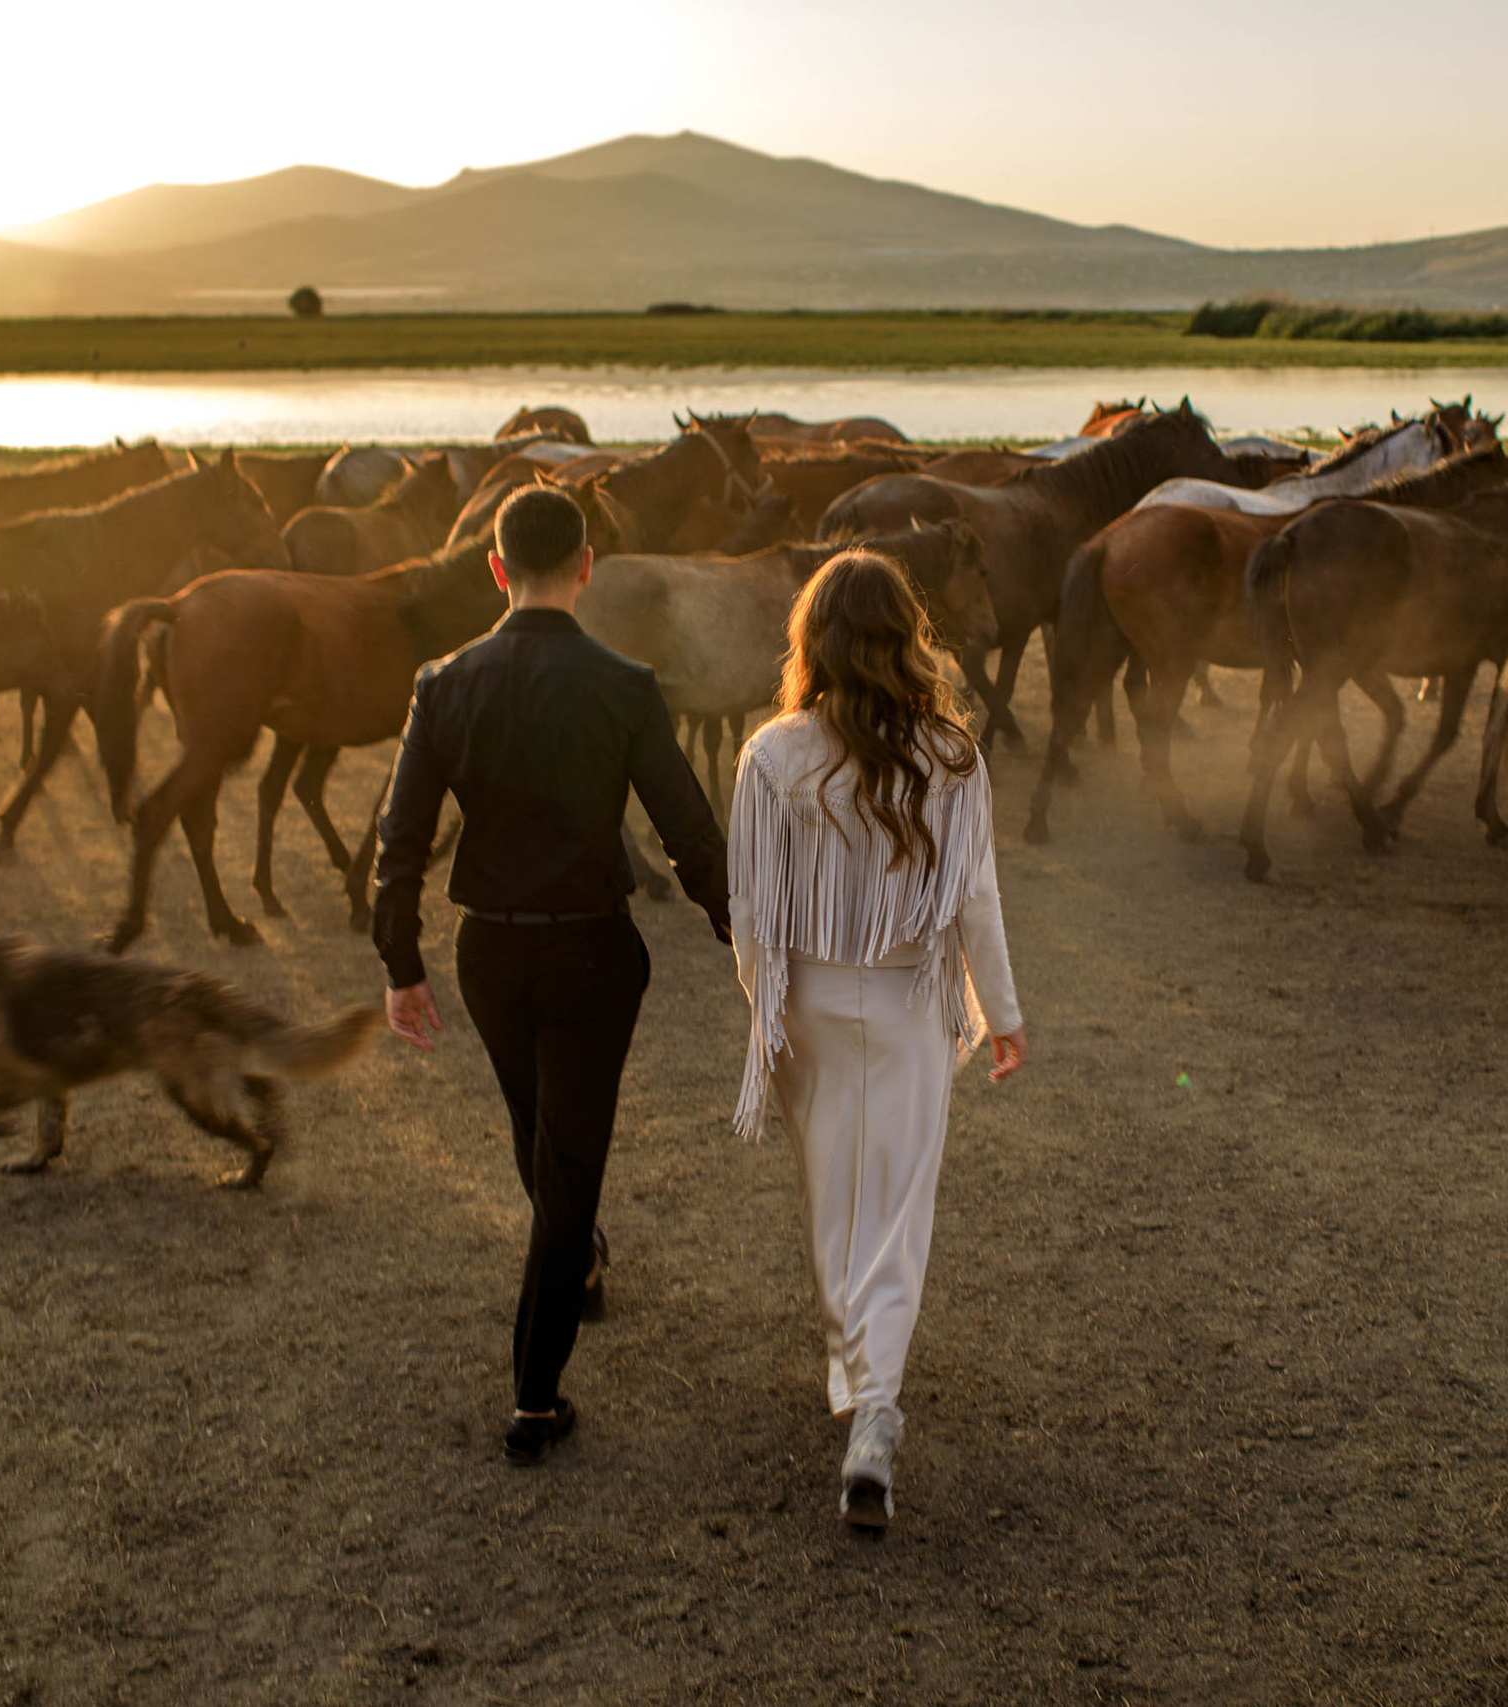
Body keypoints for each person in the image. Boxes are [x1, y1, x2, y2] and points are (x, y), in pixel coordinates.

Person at [373, 485, 729, 1467]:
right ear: (584, 568)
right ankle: (534, 1396)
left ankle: (576, 1267)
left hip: (486, 952)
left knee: (542, 1131)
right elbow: (689, 831)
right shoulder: (623, 685)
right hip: (589, 951)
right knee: (563, 1158)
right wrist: (742, 931)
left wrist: (400, 962)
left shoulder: (442, 684)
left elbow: (398, 843)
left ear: (496, 570)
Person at [727, 550, 1026, 1531]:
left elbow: (753, 914)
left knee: (835, 1204)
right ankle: (873, 1418)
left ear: (809, 640)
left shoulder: (772, 755)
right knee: (896, 1212)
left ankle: (858, 1386)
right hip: (906, 1003)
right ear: (908, 638)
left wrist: (767, 1015)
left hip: (809, 998)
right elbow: (974, 899)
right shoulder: (951, 755)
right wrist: (1004, 1013)